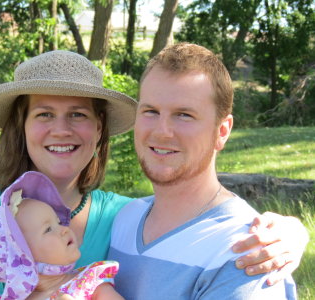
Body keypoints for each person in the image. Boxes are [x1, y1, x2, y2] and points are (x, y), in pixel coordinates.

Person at [0, 50, 308, 300]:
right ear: (21, 125)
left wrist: (290, 233)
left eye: (79, 115)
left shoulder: (121, 220)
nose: (62, 129)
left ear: (100, 128)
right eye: (44, 114)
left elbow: (201, 222)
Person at [108, 43, 304, 299]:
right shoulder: (124, 220)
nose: (161, 131)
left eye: (184, 115)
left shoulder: (248, 251)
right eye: (151, 111)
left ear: (222, 131)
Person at [0, 171, 123, 300]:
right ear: (22, 258)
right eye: (48, 229)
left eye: (58, 222)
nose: (64, 229)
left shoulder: (90, 284)